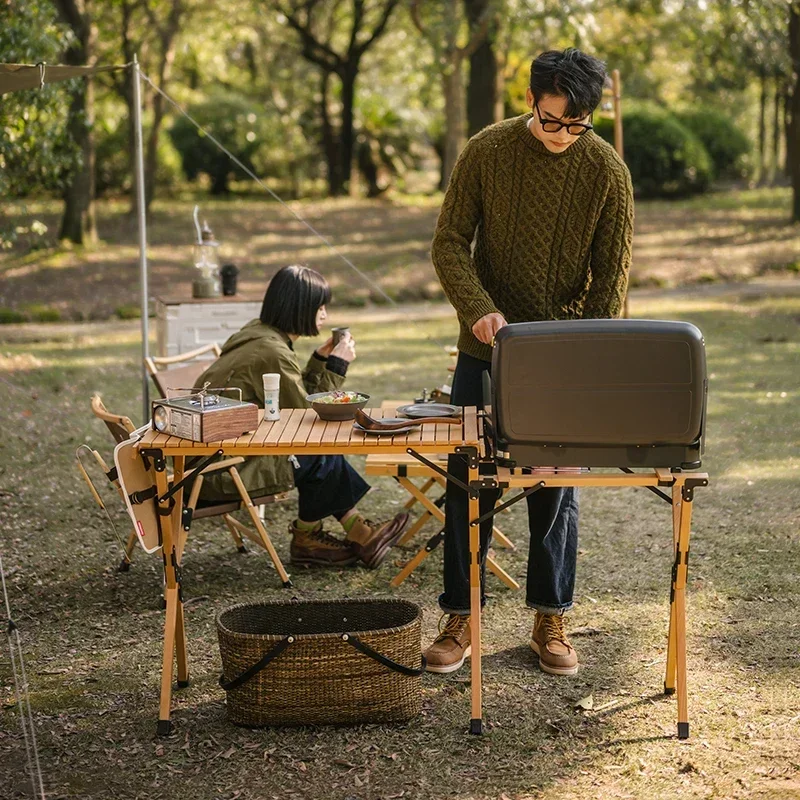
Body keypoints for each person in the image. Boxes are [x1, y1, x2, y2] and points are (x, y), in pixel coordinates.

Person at [424, 48, 634, 675]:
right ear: (531, 102)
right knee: (468, 483)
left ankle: (551, 616)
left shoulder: (608, 171)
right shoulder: (486, 151)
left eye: (577, 124)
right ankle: (461, 617)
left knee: (554, 488)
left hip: (561, 356)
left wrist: (577, 353)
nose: (562, 135)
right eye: (551, 120)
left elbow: (610, 280)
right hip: (482, 347)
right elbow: (449, 243)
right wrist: (479, 311)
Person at [194, 264, 409, 569]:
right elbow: (310, 418)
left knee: (319, 452)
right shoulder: (272, 352)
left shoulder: (259, 335)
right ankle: (319, 536)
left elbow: (293, 400)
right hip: (223, 471)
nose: (325, 314)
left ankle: (347, 533)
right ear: (300, 308)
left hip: (216, 456)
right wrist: (336, 366)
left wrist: (319, 360)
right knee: (320, 451)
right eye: (320, 306)